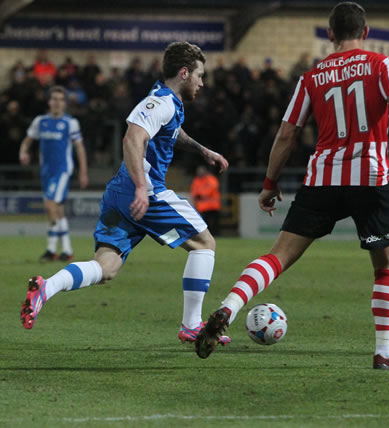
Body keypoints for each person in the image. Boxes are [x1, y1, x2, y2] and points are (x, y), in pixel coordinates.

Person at [196, 2, 389, 369]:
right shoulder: (381, 65)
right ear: (365, 32)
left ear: (331, 34)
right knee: (386, 264)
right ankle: (384, 352)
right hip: (369, 178)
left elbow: (286, 134)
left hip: (322, 179)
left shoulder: (311, 77)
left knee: (278, 256)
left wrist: (270, 183)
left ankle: (229, 306)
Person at [20, 42, 231, 347]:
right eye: (200, 75)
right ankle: (192, 325)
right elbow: (133, 138)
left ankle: (46, 288)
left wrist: (203, 150)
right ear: (184, 73)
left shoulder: (166, 101)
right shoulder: (161, 102)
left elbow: (170, 132)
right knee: (204, 243)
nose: (202, 82)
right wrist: (143, 188)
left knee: (106, 267)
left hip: (119, 193)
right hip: (144, 192)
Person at [19, 86, 89, 261]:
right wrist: (23, 152)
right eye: (54, 99)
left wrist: (83, 172)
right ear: (49, 101)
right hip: (46, 172)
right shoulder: (40, 121)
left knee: (50, 206)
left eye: (61, 99)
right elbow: (27, 141)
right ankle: (64, 250)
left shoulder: (70, 123)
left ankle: (53, 249)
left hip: (62, 171)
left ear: (65, 103)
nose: (57, 103)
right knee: (57, 210)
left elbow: (80, 148)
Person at [190, 165, 222, 236]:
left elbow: (211, 188)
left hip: (213, 205)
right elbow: (194, 192)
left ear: (206, 171)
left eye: (201, 170)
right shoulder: (196, 180)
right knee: (205, 223)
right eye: (198, 171)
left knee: (214, 222)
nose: (200, 172)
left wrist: (201, 194)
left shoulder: (211, 179)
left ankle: (216, 235)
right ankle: (209, 235)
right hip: (203, 207)